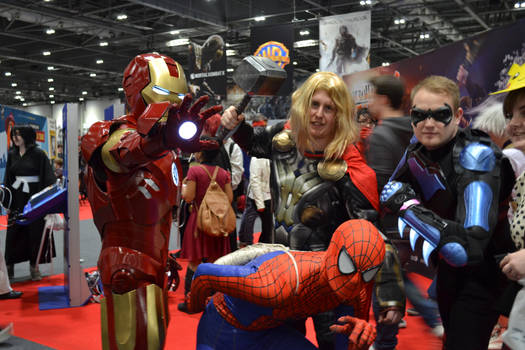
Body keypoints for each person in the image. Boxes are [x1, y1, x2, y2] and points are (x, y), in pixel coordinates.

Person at [221, 71, 405, 349]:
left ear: (339, 116)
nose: (318, 114)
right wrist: (235, 123)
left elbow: (372, 237)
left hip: (330, 282)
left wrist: (390, 292)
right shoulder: (282, 142)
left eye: (328, 108)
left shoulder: (349, 171)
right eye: (314, 104)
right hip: (282, 273)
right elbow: (254, 142)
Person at [80, 53, 221, 350]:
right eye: (164, 95)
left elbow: (154, 213)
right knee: (136, 341)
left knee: (154, 339)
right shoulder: (105, 134)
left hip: (152, 263)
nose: (172, 105)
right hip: (124, 264)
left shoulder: (167, 151)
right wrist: (157, 142)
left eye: (178, 98)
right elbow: (122, 153)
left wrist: (162, 255)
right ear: (137, 91)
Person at [380, 75, 516, 350]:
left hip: (484, 274)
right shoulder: (417, 150)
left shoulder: (477, 156)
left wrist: (407, 207)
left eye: (440, 114)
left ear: (457, 115)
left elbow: (468, 248)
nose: (429, 123)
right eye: (420, 115)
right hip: (447, 271)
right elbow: (387, 199)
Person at [187, 219, 385, 350]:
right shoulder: (281, 281)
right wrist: (195, 304)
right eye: (347, 265)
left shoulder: (354, 290)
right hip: (224, 329)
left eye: (367, 274)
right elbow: (204, 274)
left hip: (269, 332)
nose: (354, 282)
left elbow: (345, 339)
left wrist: (357, 343)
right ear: (333, 252)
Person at [366, 75, 442, 349]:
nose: (370, 102)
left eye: (373, 96)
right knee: (402, 277)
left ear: (383, 99)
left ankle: (387, 340)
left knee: (385, 280)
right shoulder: (415, 133)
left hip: (387, 221)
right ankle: (431, 318)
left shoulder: (381, 135)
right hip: (413, 218)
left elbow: (380, 184)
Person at [177, 141, 233, 312]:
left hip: (198, 223)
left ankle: (192, 302)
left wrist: (184, 186)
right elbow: (229, 198)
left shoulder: (194, 170)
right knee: (214, 262)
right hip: (217, 222)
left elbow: (188, 197)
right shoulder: (224, 173)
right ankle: (214, 302)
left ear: (201, 153)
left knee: (194, 263)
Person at [3, 125, 56, 282]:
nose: (15, 138)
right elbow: (8, 179)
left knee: (35, 233)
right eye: (13, 135)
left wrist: (46, 202)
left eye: (18, 135)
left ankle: (34, 267)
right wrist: (7, 202)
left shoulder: (39, 154)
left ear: (27, 136)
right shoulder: (12, 154)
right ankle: (9, 266)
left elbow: (48, 178)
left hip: (34, 198)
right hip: (16, 198)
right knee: (13, 233)